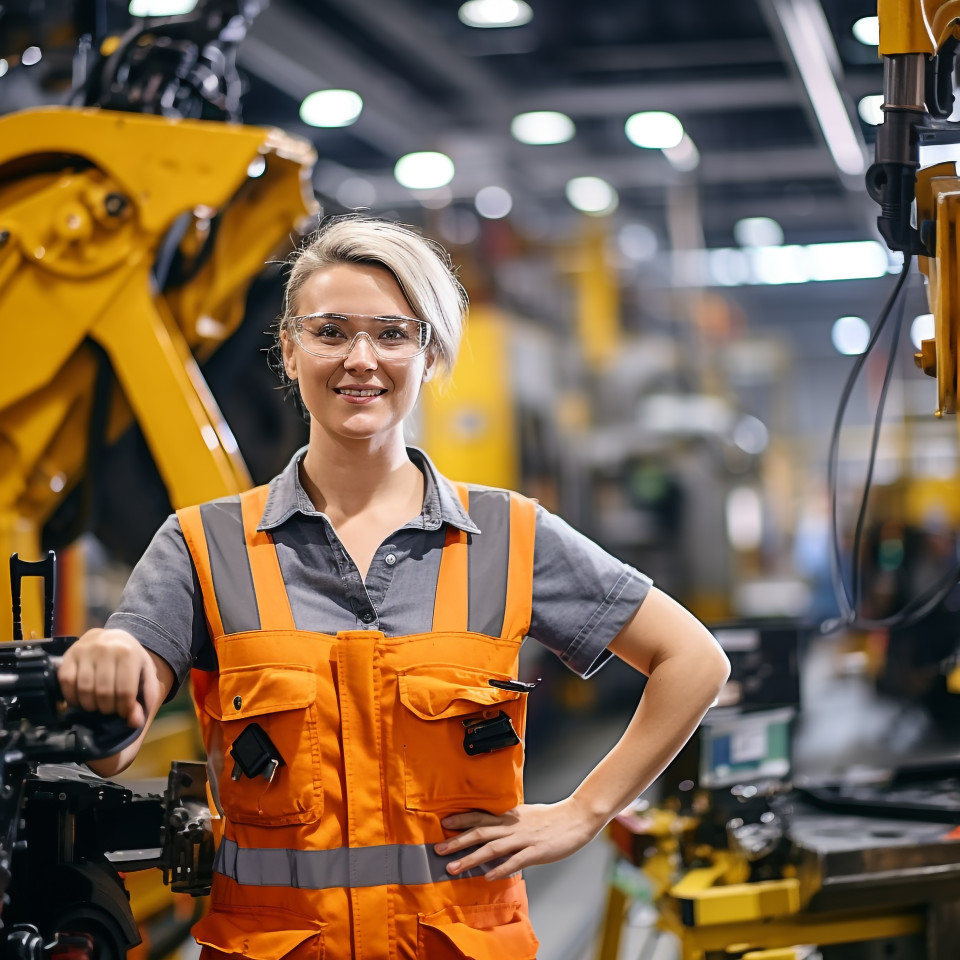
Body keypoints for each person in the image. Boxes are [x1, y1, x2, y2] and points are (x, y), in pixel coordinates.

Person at [58, 215, 730, 960]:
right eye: (330, 331)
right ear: (289, 348)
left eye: (392, 333)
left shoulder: (507, 536)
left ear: (430, 354)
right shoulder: (202, 545)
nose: (361, 359)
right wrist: (107, 662)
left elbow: (694, 660)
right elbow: (113, 750)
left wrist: (583, 813)